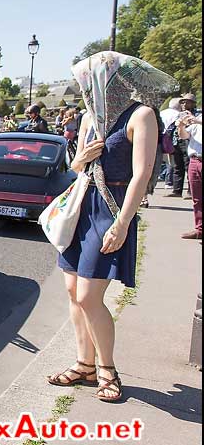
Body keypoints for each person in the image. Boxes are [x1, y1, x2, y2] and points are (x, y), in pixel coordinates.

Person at [49, 51, 178, 402]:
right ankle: (84, 364)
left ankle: (107, 369)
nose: (86, 87)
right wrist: (82, 157)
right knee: (74, 294)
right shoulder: (91, 118)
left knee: (90, 296)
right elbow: (76, 167)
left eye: (91, 80)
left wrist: (122, 223)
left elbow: (143, 174)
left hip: (112, 208)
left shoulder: (142, 115)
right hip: (83, 206)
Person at [177, 95, 202, 239]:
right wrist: (181, 126)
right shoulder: (194, 118)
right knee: (197, 198)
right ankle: (199, 229)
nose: (185, 104)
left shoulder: (197, 118)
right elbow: (184, 136)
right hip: (195, 160)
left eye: (188, 102)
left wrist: (196, 120)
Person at [168, 94, 197, 198]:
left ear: (193, 104)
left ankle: (191, 191)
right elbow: (173, 127)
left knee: (188, 166)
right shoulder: (179, 114)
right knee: (177, 166)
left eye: (187, 102)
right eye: (183, 102)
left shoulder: (196, 115)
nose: (184, 104)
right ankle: (177, 190)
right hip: (177, 142)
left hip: (189, 142)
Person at [159, 98, 181, 188]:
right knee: (171, 161)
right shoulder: (178, 114)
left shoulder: (162, 112)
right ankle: (169, 181)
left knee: (161, 159)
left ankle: (162, 176)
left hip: (160, 137)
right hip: (170, 139)